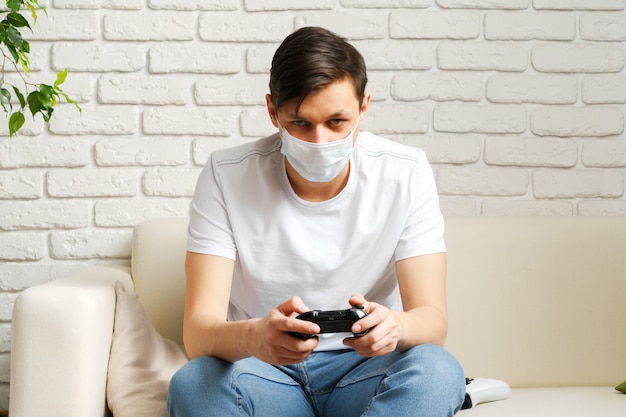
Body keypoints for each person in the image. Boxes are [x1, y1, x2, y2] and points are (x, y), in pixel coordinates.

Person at [167, 26, 466, 417]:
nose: (320, 142)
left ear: (364, 107)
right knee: (193, 384)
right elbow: (198, 334)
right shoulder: (226, 174)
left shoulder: (405, 172)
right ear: (273, 112)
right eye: (301, 123)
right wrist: (255, 336)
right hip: (264, 372)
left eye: (337, 122)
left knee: (438, 370)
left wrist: (394, 325)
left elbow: (432, 321)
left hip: (364, 371)